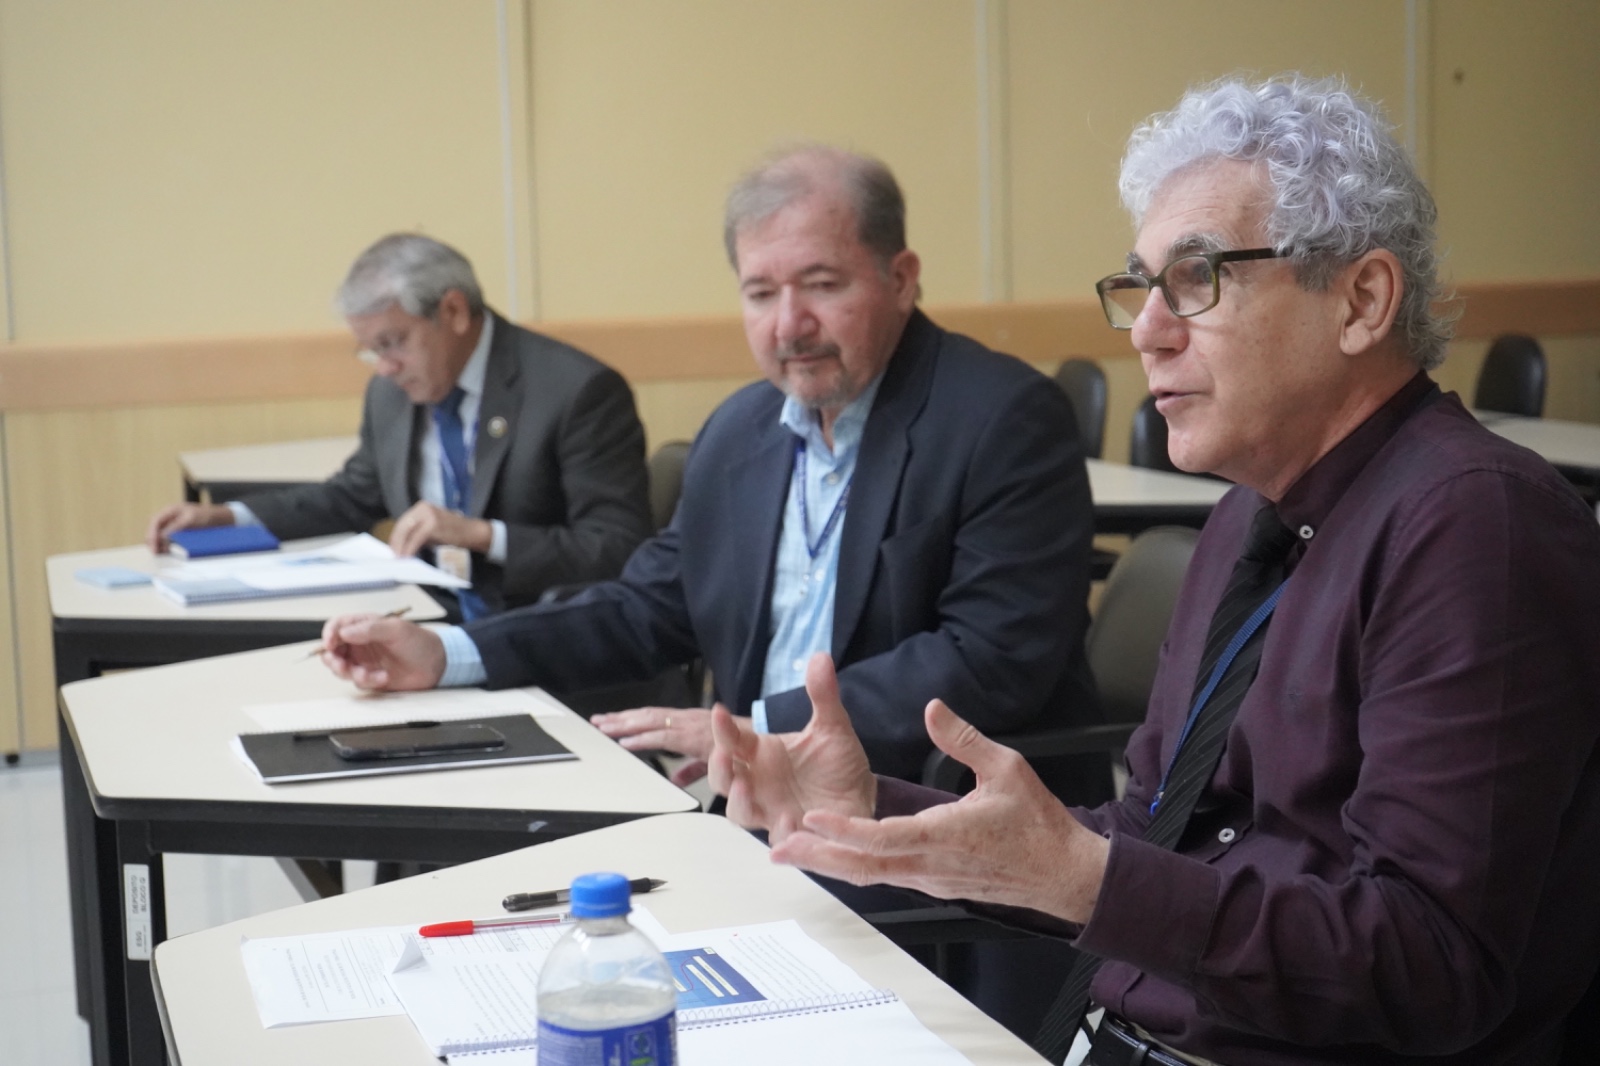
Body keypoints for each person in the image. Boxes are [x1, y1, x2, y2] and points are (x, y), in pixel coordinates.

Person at [708, 77, 1600, 1066]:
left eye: (1197, 278)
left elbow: (1429, 963)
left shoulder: (1477, 527)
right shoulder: (1246, 517)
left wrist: (1088, 881)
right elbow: (1154, 832)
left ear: (1360, 300)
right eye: (1141, 287)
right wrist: (872, 808)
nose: (1145, 330)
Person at [316, 145, 1104, 792]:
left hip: (927, 812)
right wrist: (449, 652)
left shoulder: (1003, 418)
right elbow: (645, 607)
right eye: (760, 293)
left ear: (900, 279)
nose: (789, 325)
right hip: (758, 802)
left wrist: (758, 728)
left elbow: (988, 660)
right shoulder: (740, 431)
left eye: (822, 285)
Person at [146, 233, 653, 618]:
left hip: (542, 629)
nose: (384, 367)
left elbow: (616, 547)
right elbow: (353, 495)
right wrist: (230, 517)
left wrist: (480, 534)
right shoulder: (392, 392)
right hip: (428, 619)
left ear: (453, 311)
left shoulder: (576, 392)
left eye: (393, 343)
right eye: (372, 350)